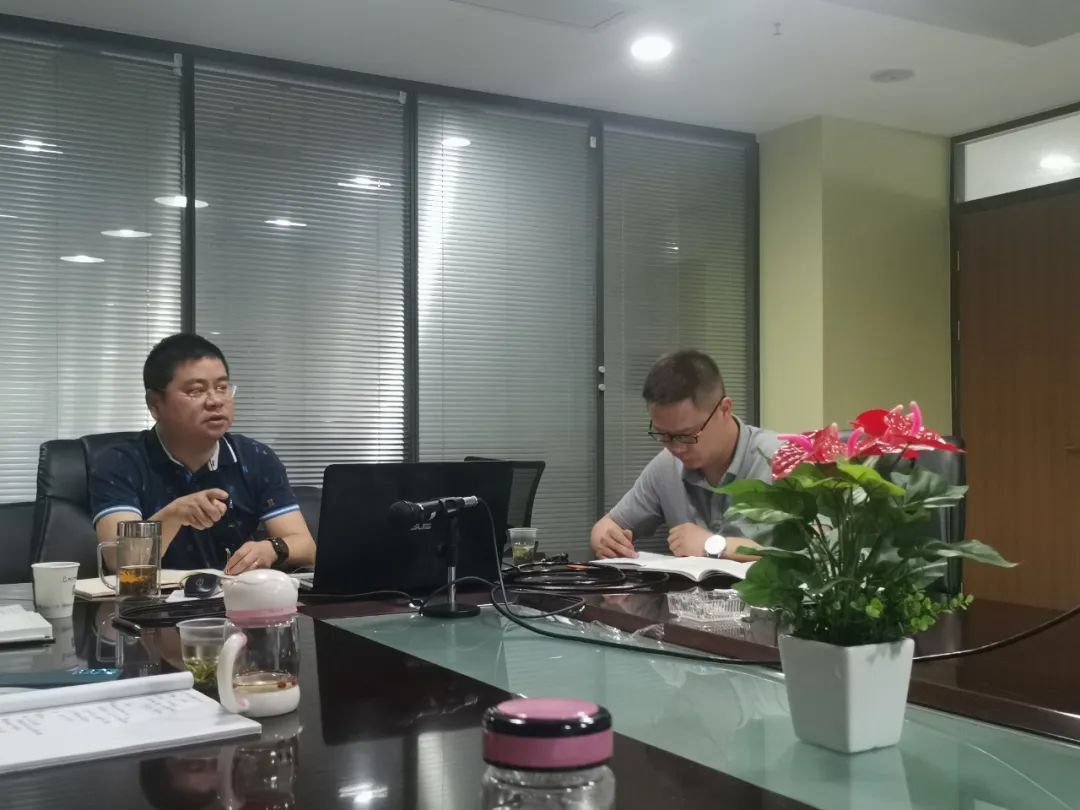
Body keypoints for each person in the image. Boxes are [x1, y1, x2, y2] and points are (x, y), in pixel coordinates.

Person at [90, 333, 316, 574]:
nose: (215, 401)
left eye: (222, 388)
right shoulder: (120, 462)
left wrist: (272, 549)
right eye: (196, 391)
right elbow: (122, 562)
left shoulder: (256, 457)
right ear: (155, 404)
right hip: (156, 597)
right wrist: (175, 514)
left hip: (235, 594)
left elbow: (306, 546)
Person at [590, 350, 779, 560]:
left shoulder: (779, 459)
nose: (676, 448)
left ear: (724, 409)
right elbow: (606, 526)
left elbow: (806, 558)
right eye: (663, 435)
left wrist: (712, 545)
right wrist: (609, 542)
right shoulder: (667, 465)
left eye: (687, 435)